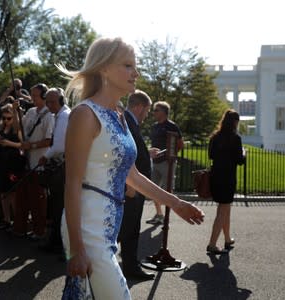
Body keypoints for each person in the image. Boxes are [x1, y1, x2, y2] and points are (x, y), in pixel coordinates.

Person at [58, 37, 204, 299]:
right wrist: (77, 249)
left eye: (135, 66)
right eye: (127, 65)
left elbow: (132, 175)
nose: (136, 73)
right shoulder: (84, 114)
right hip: (86, 228)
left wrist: (177, 204)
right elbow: (72, 183)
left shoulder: (120, 115)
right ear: (103, 67)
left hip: (108, 227)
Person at [117, 90, 156, 280]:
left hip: (133, 185)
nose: (147, 114)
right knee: (129, 228)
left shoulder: (129, 121)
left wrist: (147, 154)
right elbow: (123, 154)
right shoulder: (127, 121)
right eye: (147, 110)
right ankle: (130, 267)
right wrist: (131, 186)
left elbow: (133, 152)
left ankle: (129, 264)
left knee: (130, 227)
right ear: (138, 106)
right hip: (132, 188)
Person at [13, 83, 54, 239]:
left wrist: (32, 145)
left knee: (38, 200)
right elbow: (19, 130)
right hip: (25, 162)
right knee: (22, 198)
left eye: (35, 95)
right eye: (32, 95)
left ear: (44, 97)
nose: (32, 98)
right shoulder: (30, 112)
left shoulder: (49, 115)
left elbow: (49, 140)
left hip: (39, 164)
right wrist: (15, 112)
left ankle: (39, 231)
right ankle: (20, 228)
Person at [206, 109, 245, 254]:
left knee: (225, 208)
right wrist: (244, 154)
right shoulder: (235, 138)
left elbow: (211, 155)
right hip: (228, 177)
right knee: (222, 211)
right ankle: (212, 244)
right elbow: (240, 161)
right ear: (235, 122)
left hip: (216, 176)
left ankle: (227, 239)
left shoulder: (215, 137)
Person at [37, 88, 71, 253]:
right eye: (47, 102)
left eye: (52, 102)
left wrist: (45, 155)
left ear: (61, 101)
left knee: (59, 207)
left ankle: (58, 243)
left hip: (63, 167)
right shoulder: (60, 115)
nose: (49, 105)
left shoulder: (64, 117)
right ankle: (57, 241)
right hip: (62, 166)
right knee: (57, 206)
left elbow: (59, 146)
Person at [146, 101, 184, 225]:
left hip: (167, 163)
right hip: (155, 163)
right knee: (152, 190)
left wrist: (167, 154)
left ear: (163, 112)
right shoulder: (155, 126)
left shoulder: (172, 126)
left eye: (156, 110)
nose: (153, 112)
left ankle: (166, 217)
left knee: (168, 191)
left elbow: (180, 145)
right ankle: (159, 215)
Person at [0, 103, 24, 230]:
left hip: (13, 164)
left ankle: (16, 220)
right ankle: (6, 219)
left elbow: (22, 145)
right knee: (3, 192)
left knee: (12, 192)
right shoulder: (1, 128)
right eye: (4, 118)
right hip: (2, 163)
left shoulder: (17, 129)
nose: (6, 121)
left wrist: (8, 143)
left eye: (9, 118)